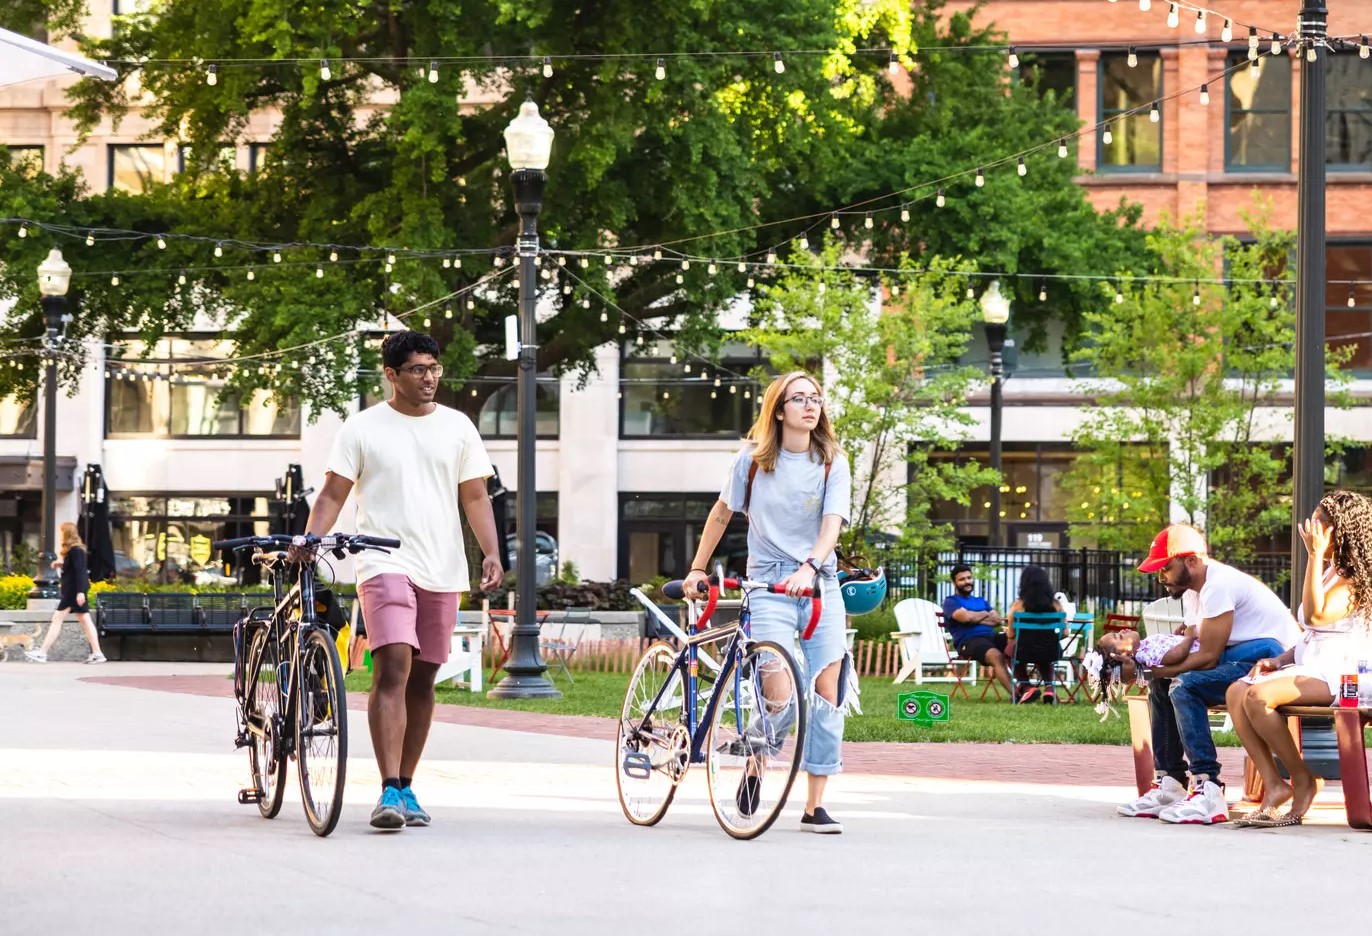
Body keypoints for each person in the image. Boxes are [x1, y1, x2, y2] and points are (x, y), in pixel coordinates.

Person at [294, 330, 504, 831]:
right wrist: (308, 539)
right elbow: (332, 495)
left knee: (425, 675)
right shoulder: (362, 428)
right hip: (382, 559)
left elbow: (475, 497)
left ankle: (406, 786)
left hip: (443, 566)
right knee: (393, 666)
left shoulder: (458, 428)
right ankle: (388, 788)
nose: (429, 378)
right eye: (417, 370)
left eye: (433, 368)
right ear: (391, 375)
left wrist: (493, 552)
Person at [682, 370, 857, 834]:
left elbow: (832, 524)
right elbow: (722, 513)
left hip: (820, 585)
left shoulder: (831, 461)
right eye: (799, 398)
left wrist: (811, 567)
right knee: (778, 693)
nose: (809, 405)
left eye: (815, 398)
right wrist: (698, 568)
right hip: (768, 586)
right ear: (779, 409)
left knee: (826, 695)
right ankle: (757, 765)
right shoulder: (754, 462)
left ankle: (814, 805)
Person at [1117, 524, 1300, 825]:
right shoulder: (1192, 591)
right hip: (1241, 656)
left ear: (1191, 561)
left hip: (1273, 661)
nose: (1159, 576)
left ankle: (1208, 788)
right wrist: (1154, 672)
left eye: (1165, 568)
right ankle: (1170, 784)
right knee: (1162, 685)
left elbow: (1207, 657)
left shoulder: (1218, 585)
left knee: (1184, 687)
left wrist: (1154, 670)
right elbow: (1194, 644)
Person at [1226, 491, 1372, 827]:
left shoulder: (1356, 579)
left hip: (1344, 672)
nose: (1312, 527)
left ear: (1342, 530)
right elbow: (1312, 631)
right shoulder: (1330, 571)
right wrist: (1280, 660)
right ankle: (1276, 784)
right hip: (1314, 662)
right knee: (1236, 692)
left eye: (1321, 522)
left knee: (1259, 695)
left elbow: (1319, 616)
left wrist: (1314, 556)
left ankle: (1302, 778)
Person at [25, 522, 106, 664]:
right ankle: (97, 653)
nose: (60, 535)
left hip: (73, 591)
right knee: (85, 621)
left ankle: (42, 653)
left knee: (57, 619)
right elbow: (76, 568)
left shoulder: (75, 550)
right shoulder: (76, 550)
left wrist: (80, 592)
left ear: (66, 534)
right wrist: (61, 564)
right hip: (75, 590)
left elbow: (81, 571)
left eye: (62, 532)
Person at [942, 566, 1013, 698]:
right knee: (996, 656)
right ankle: (1016, 694)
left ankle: (1027, 688)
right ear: (954, 583)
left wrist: (973, 618)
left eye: (969, 578)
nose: (967, 581)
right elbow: (965, 618)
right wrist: (984, 614)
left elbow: (996, 620)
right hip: (968, 642)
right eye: (962, 579)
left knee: (1017, 643)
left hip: (990, 637)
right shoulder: (951, 601)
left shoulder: (980, 600)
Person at [1005, 565, 1064, 704]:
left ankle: (1026, 685)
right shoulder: (1056, 606)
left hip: (1024, 651)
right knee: (1044, 652)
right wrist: (1047, 638)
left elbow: (1012, 634)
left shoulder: (1018, 606)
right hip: (1051, 651)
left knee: (1008, 651)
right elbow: (1065, 632)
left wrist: (1011, 636)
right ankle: (1049, 688)